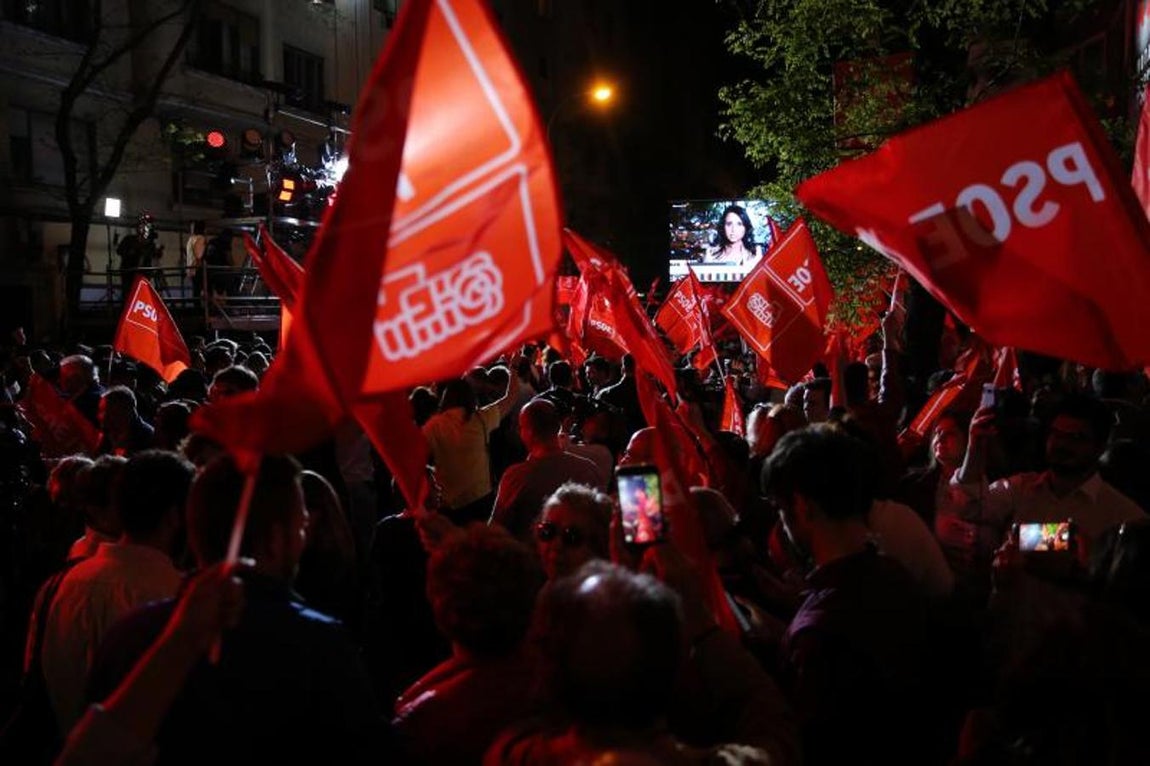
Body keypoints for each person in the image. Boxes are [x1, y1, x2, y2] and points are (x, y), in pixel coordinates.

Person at [87, 454, 384, 765]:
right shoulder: (318, 646)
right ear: (273, 539)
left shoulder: (127, 638)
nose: (302, 539)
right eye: (300, 526)